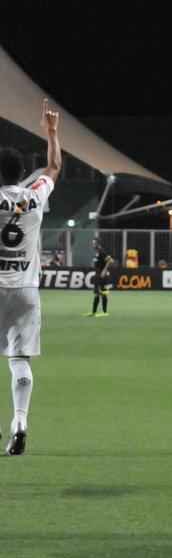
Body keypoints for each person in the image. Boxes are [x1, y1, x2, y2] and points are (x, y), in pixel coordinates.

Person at [0, 99, 62, 456]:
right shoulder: (34, 198)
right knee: (19, 361)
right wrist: (51, 133)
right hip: (25, 290)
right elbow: (53, 167)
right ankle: (20, 422)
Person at [87, 238, 114, 317]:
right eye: (92, 243)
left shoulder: (102, 251)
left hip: (102, 275)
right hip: (97, 274)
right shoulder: (97, 252)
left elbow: (110, 260)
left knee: (103, 293)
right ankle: (93, 312)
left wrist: (104, 270)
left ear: (98, 243)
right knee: (97, 293)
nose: (93, 244)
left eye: (94, 243)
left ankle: (105, 312)